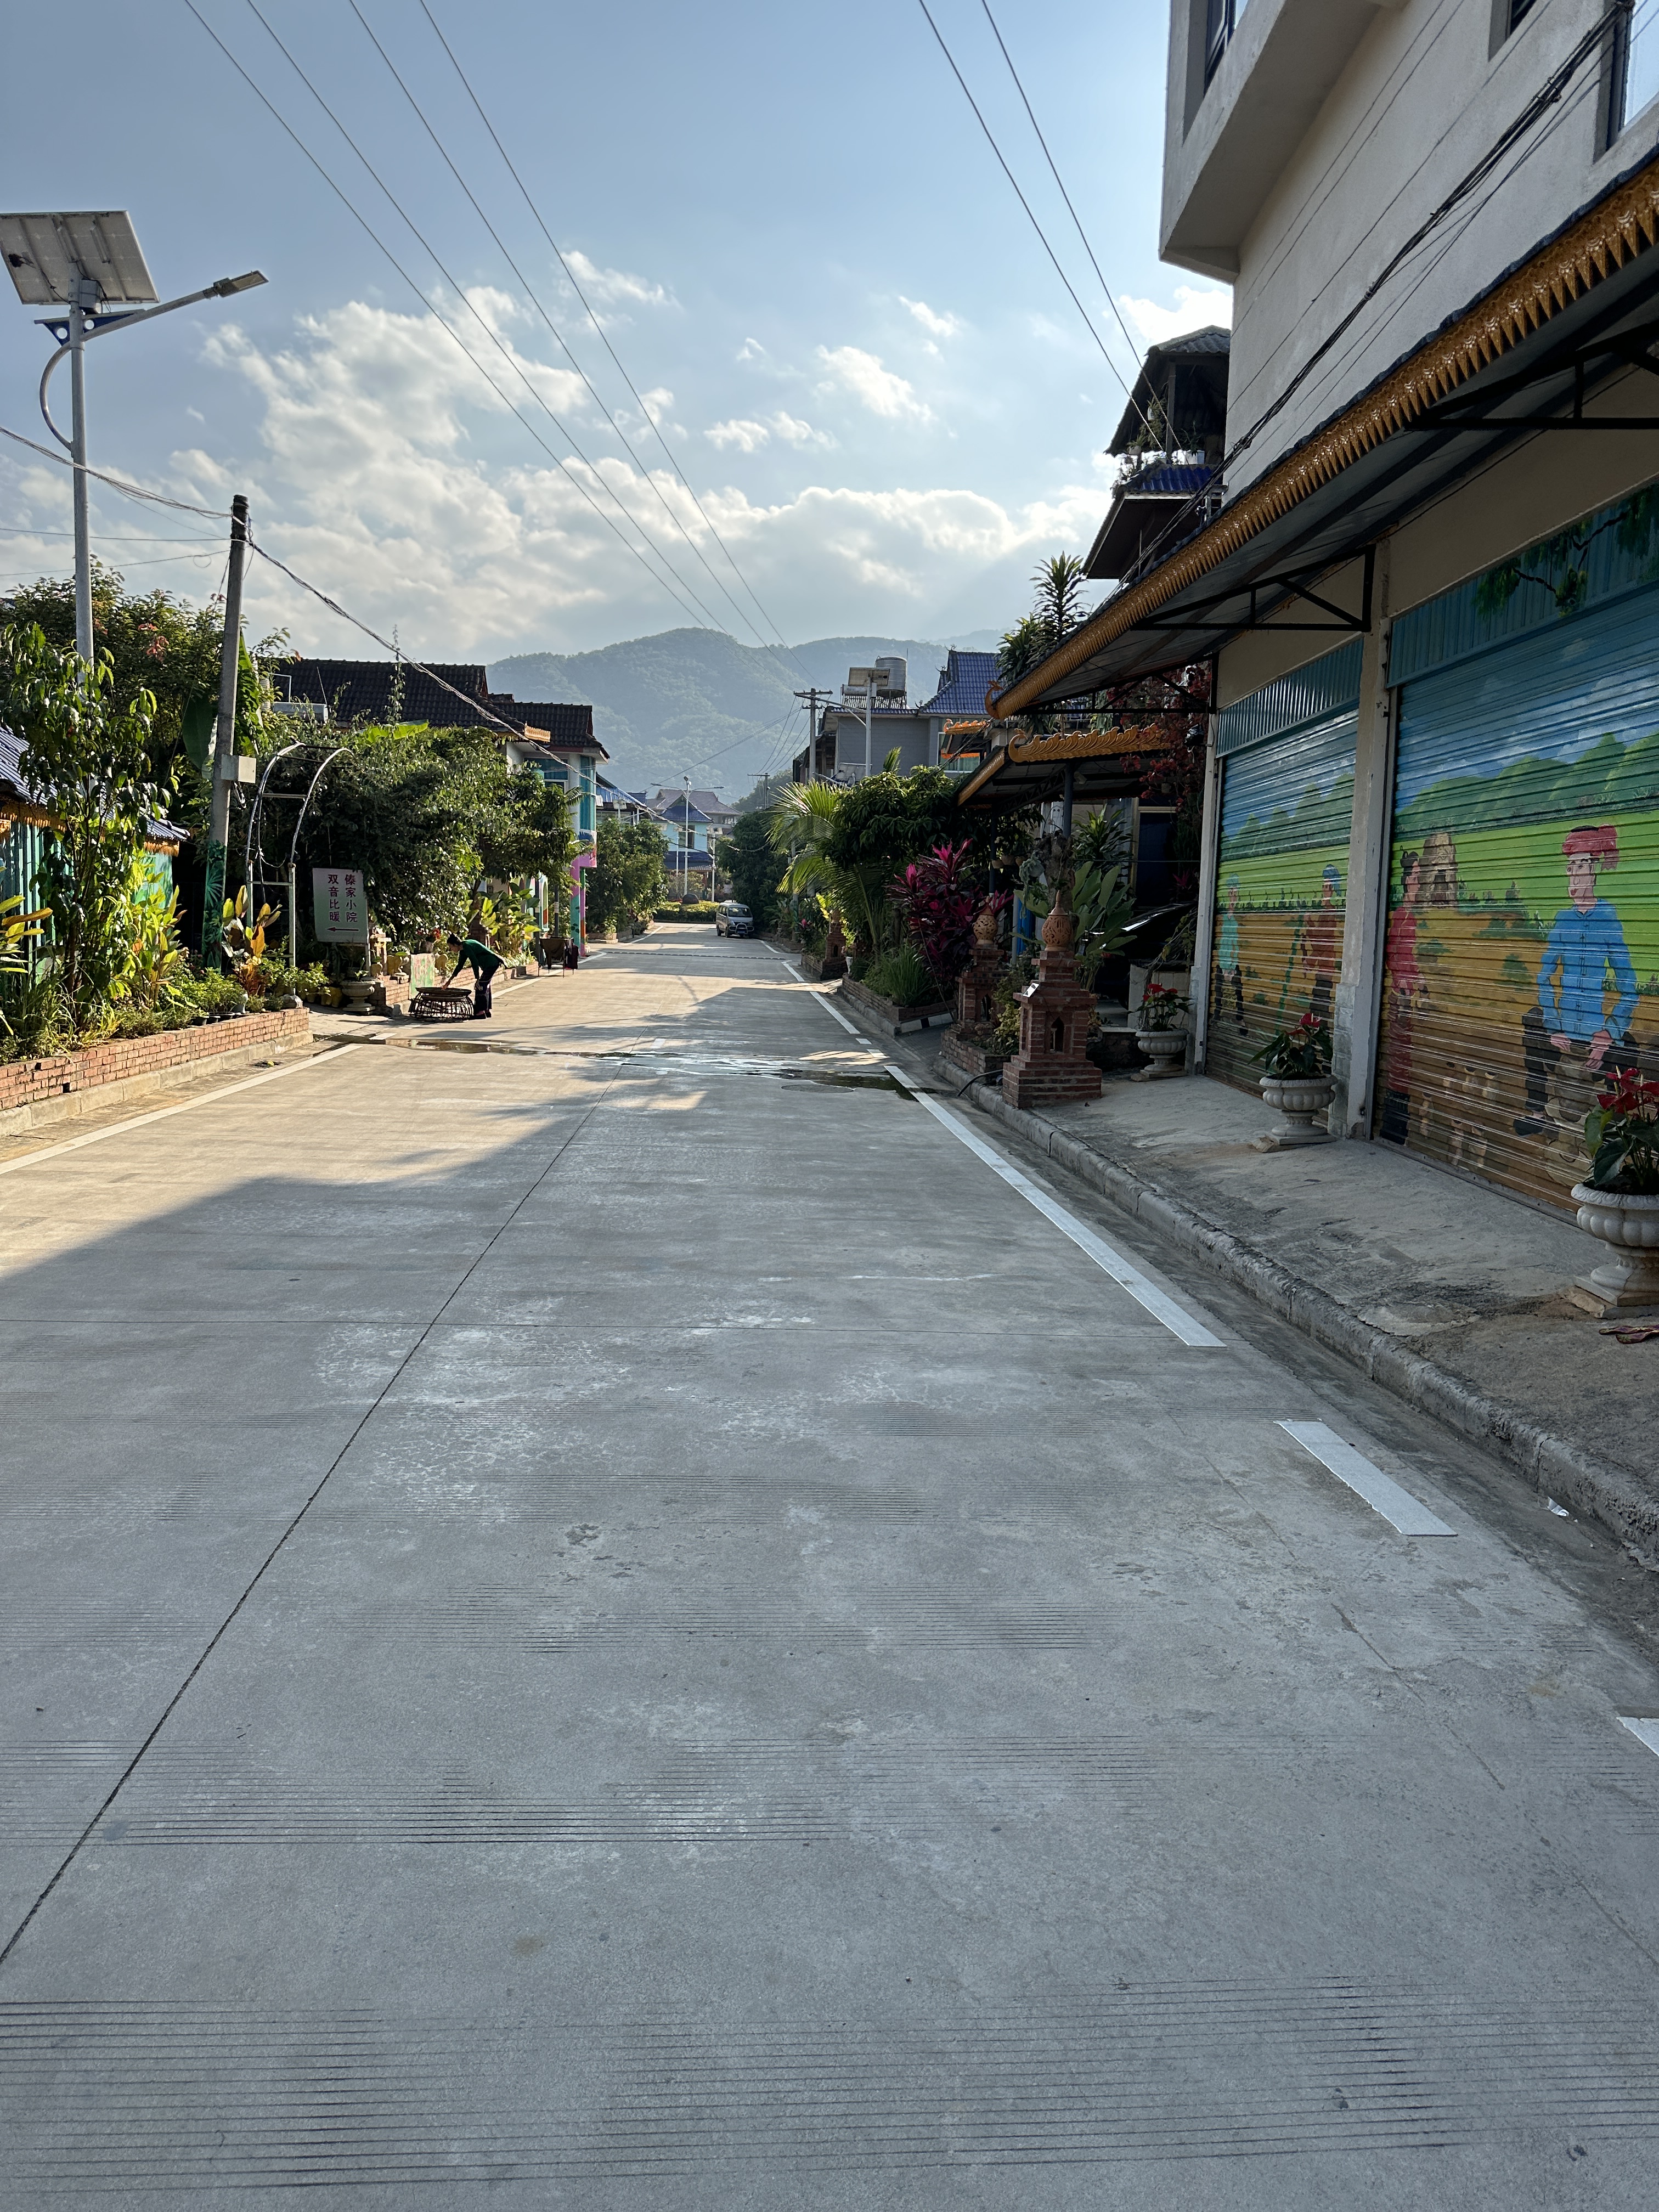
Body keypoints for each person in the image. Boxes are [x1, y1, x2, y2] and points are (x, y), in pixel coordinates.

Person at [1516, 824, 1638, 1137]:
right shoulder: (1563, 920)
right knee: (1531, 1021)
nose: (1573, 877)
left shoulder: (1609, 919)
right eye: (1570, 868)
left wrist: (1609, 1033)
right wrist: (1553, 1025)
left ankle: (1615, 1129)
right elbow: (1544, 978)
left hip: (1594, 1031)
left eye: (1581, 867)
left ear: (1594, 870)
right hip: (1563, 1030)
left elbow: (1629, 988)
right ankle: (1537, 1112)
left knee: (1631, 1049)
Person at [1379, 850, 1424, 1146]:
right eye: (1417, 877)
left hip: (1411, 1000)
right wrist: (1404, 984)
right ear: (1407, 880)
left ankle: (1400, 1129)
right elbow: (1392, 957)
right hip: (1402, 1001)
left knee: (1407, 1066)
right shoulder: (1399, 917)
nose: (1420, 883)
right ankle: (1395, 1129)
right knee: (1400, 1067)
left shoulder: (1416, 917)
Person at [1301, 864, 1342, 1029]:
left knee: (1320, 1007)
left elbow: (1322, 944)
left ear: (1332, 891)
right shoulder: (1325, 911)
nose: (1324, 890)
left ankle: (1320, 1035)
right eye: (1324, 886)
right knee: (1317, 1006)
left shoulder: (1330, 913)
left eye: (1327, 887)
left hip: (1325, 969)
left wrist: (1310, 923)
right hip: (1322, 968)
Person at [446, 929, 504, 1020]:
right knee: (485, 986)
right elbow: (460, 965)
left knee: (480, 986)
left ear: (455, 945)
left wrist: (477, 978)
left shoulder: (467, 946)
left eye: (451, 947)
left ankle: (480, 1013)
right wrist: (450, 980)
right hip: (490, 964)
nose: (451, 950)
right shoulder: (463, 950)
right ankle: (486, 1011)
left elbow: (474, 962)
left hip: (491, 963)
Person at [1214, 874, 1246, 1035]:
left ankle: (1240, 1020)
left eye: (1235, 892)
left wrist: (1232, 966)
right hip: (1223, 959)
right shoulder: (1226, 915)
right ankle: (1217, 1016)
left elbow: (1235, 942)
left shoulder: (1237, 917)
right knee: (1219, 990)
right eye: (1231, 891)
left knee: (1237, 991)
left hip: (1231, 961)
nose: (1233, 895)